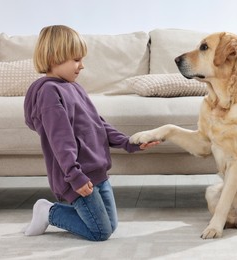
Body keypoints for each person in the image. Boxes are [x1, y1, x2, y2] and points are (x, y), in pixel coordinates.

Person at [23, 25, 159, 241]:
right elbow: (61, 141)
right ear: (55, 57)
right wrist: (75, 176)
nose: (82, 66)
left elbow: (98, 124)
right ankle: (48, 212)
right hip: (77, 175)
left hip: (97, 170)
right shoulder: (49, 93)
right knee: (100, 232)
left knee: (110, 226)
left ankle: (62, 212)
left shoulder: (74, 87)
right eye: (76, 59)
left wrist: (128, 143)